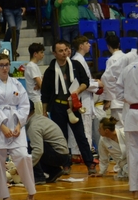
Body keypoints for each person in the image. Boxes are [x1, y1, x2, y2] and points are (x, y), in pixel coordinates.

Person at [0, 54, 36, 200]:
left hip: (15, 124)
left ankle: (31, 189)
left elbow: (25, 105)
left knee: (23, 156)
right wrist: (2, 127)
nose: (4, 68)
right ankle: (4, 195)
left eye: (7, 64)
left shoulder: (17, 84)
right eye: (1, 65)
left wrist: (19, 125)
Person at [41, 40, 96, 175]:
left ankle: (90, 163)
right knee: (61, 137)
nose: (64, 53)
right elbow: (45, 93)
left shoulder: (75, 65)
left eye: (66, 50)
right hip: (57, 106)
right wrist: (44, 112)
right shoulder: (50, 71)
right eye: (60, 51)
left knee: (80, 135)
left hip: (73, 104)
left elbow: (85, 82)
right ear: (54, 53)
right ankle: (65, 164)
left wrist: (77, 91)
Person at [71, 36, 102, 158]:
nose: (89, 45)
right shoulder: (77, 60)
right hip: (82, 99)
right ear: (81, 46)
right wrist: (97, 84)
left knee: (86, 128)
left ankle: (83, 154)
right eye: (86, 43)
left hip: (86, 97)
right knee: (85, 128)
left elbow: (86, 80)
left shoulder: (80, 59)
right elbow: (82, 82)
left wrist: (94, 82)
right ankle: (85, 155)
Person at [26, 101, 71, 184]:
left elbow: (38, 151)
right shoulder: (37, 119)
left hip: (59, 155)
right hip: (62, 154)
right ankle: (54, 171)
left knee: (30, 148)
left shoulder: (33, 126)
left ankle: (39, 177)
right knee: (35, 146)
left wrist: (25, 167)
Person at [101, 35, 138, 128]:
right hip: (127, 99)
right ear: (119, 44)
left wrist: (110, 98)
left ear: (108, 46)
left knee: (121, 128)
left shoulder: (113, 59)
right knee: (123, 128)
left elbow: (106, 78)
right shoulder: (127, 57)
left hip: (122, 99)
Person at [115, 59, 138, 199]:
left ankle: (135, 189)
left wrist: (131, 98)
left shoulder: (128, 69)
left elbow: (118, 94)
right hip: (132, 111)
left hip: (132, 113)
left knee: (133, 153)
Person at [25, 43, 45, 117]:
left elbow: (41, 82)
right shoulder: (31, 66)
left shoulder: (34, 66)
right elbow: (41, 84)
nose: (43, 54)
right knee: (38, 121)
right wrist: (40, 85)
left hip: (37, 98)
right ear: (35, 54)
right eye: (41, 52)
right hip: (35, 99)